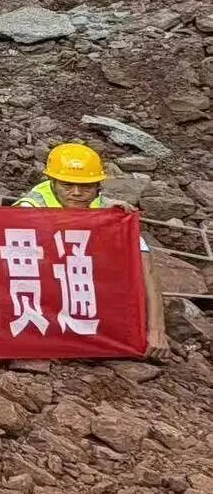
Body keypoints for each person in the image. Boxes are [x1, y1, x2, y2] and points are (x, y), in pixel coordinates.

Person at [15, 142, 168, 360]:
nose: (76, 193)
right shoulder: (29, 208)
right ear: (52, 182)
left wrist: (156, 330)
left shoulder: (108, 210)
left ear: (98, 187)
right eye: (67, 185)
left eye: (85, 187)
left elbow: (146, 266)